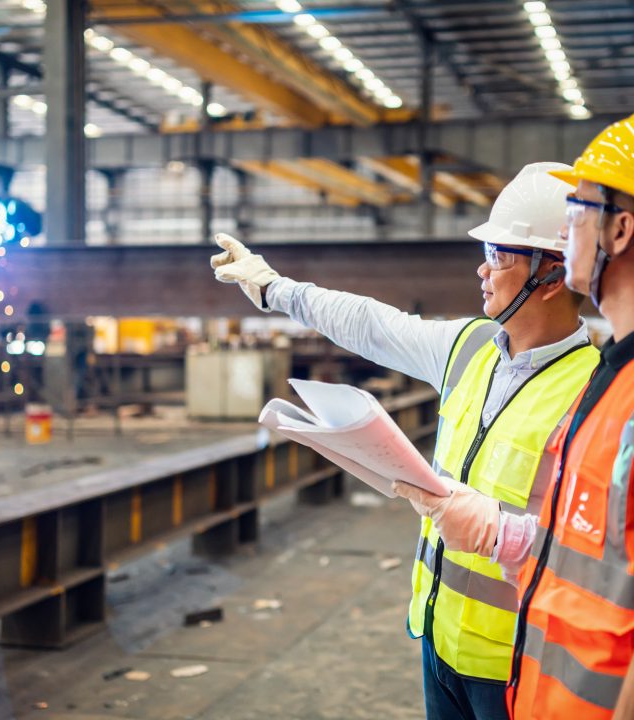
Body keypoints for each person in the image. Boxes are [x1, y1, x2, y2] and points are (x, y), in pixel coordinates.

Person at [211, 162, 600, 720]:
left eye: (499, 255)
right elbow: (372, 324)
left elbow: (602, 550)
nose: (482, 271)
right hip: (438, 638)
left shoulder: (596, 393)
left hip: (520, 664)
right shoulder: (468, 348)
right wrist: (274, 288)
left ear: (553, 276)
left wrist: (501, 532)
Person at [395, 117, 634, 720]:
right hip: (535, 682)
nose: (569, 226)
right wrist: (507, 535)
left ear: (619, 229)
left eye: (579, 209)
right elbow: (591, 552)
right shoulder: (612, 382)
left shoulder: (607, 391)